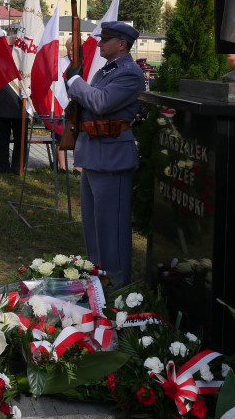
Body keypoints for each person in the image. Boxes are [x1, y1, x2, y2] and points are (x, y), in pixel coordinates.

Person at [64, 21, 145, 288]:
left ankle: (117, 289)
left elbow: (101, 102)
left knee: (112, 229)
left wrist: (75, 80)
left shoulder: (130, 73)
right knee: (94, 226)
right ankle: (97, 282)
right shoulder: (105, 72)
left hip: (112, 158)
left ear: (122, 44)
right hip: (94, 155)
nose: (99, 43)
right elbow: (90, 103)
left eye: (105, 39)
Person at [0, 82, 24, 175]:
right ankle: (2, 167)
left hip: (20, 101)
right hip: (1, 100)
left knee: (21, 139)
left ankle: (18, 167)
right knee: (1, 139)